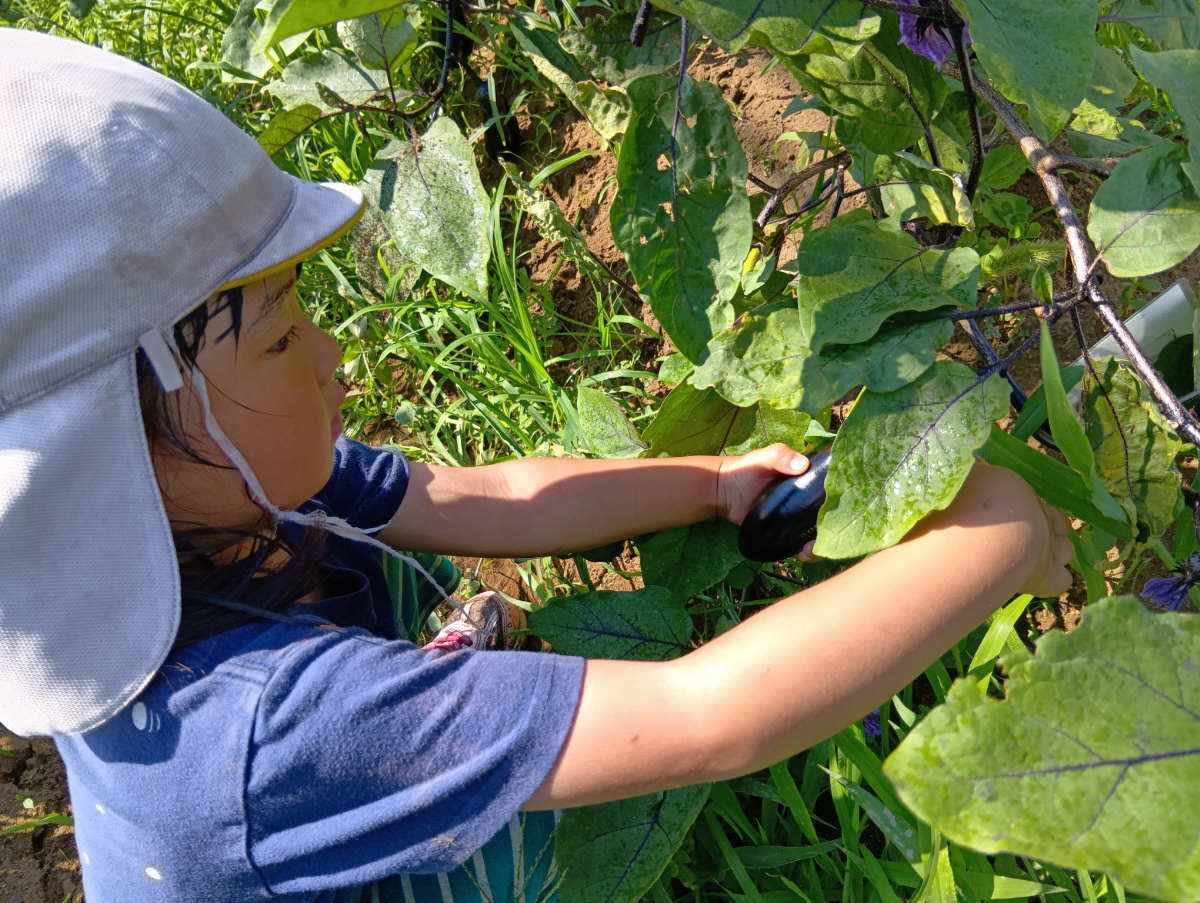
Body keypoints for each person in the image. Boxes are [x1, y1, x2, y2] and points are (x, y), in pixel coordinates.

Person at [0, 27, 1075, 903]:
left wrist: (708, 481)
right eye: (280, 340)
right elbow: (716, 718)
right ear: (108, 452)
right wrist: (999, 534)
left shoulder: (218, 490)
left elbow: (480, 496)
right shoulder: (263, 738)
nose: (332, 355)